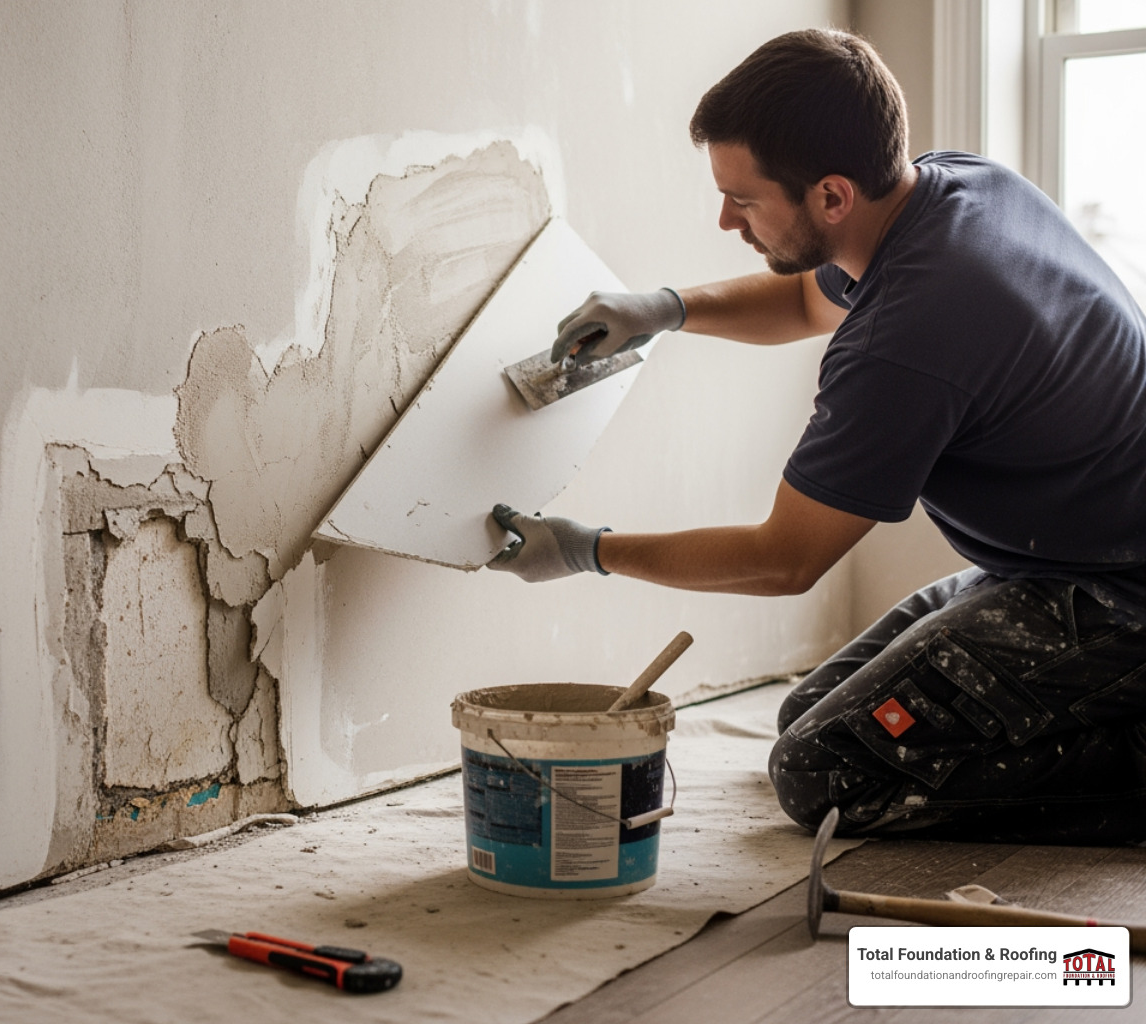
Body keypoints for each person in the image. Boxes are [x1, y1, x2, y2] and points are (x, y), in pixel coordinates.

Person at [487, 28, 1146, 843]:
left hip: (1113, 598)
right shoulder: (956, 189)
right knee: (810, 712)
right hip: (1069, 558)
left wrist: (588, 550)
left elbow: (784, 560)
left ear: (832, 196)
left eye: (744, 200)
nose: (725, 219)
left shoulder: (905, 340)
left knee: (824, 770)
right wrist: (665, 309)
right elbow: (808, 300)